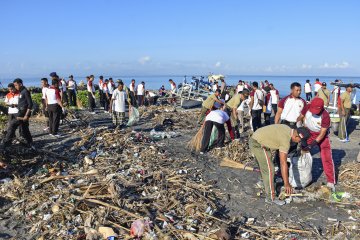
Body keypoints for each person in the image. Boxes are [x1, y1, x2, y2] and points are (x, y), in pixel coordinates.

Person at [249, 125, 310, 205]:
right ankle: (271, 198)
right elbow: (283, 163)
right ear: (296, 136)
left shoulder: (288, 129)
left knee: (265, 165)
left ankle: (263, 182)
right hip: (258, 144)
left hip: (257, 139)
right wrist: (287, 184)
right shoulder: (285, 140)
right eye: (299, 140)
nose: (299, 142)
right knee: (270, 170)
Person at [297, 98, 336, 191]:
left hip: (321, 136)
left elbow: (322, 134)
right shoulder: (307, 107)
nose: (315, 112)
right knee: (302, 152)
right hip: (309, 132)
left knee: (326, 157)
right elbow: (300, 118)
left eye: (317, 111)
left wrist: (312, 144)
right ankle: (301, 176)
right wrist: (299, 128)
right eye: (313, 110)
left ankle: (331, 181)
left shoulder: (325, 115)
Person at [1, 78, 34, 150]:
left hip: (22, 113)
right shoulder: (21, 91)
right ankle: (30, 142)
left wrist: (26, 115)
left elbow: (30, 104)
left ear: (20, 84)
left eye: (16, 85)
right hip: (19, 111)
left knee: (12, 124)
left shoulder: (25, 91)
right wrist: (15, 105)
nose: (15, 87)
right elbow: (22, 103)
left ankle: (7, 143)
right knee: (24, 128)